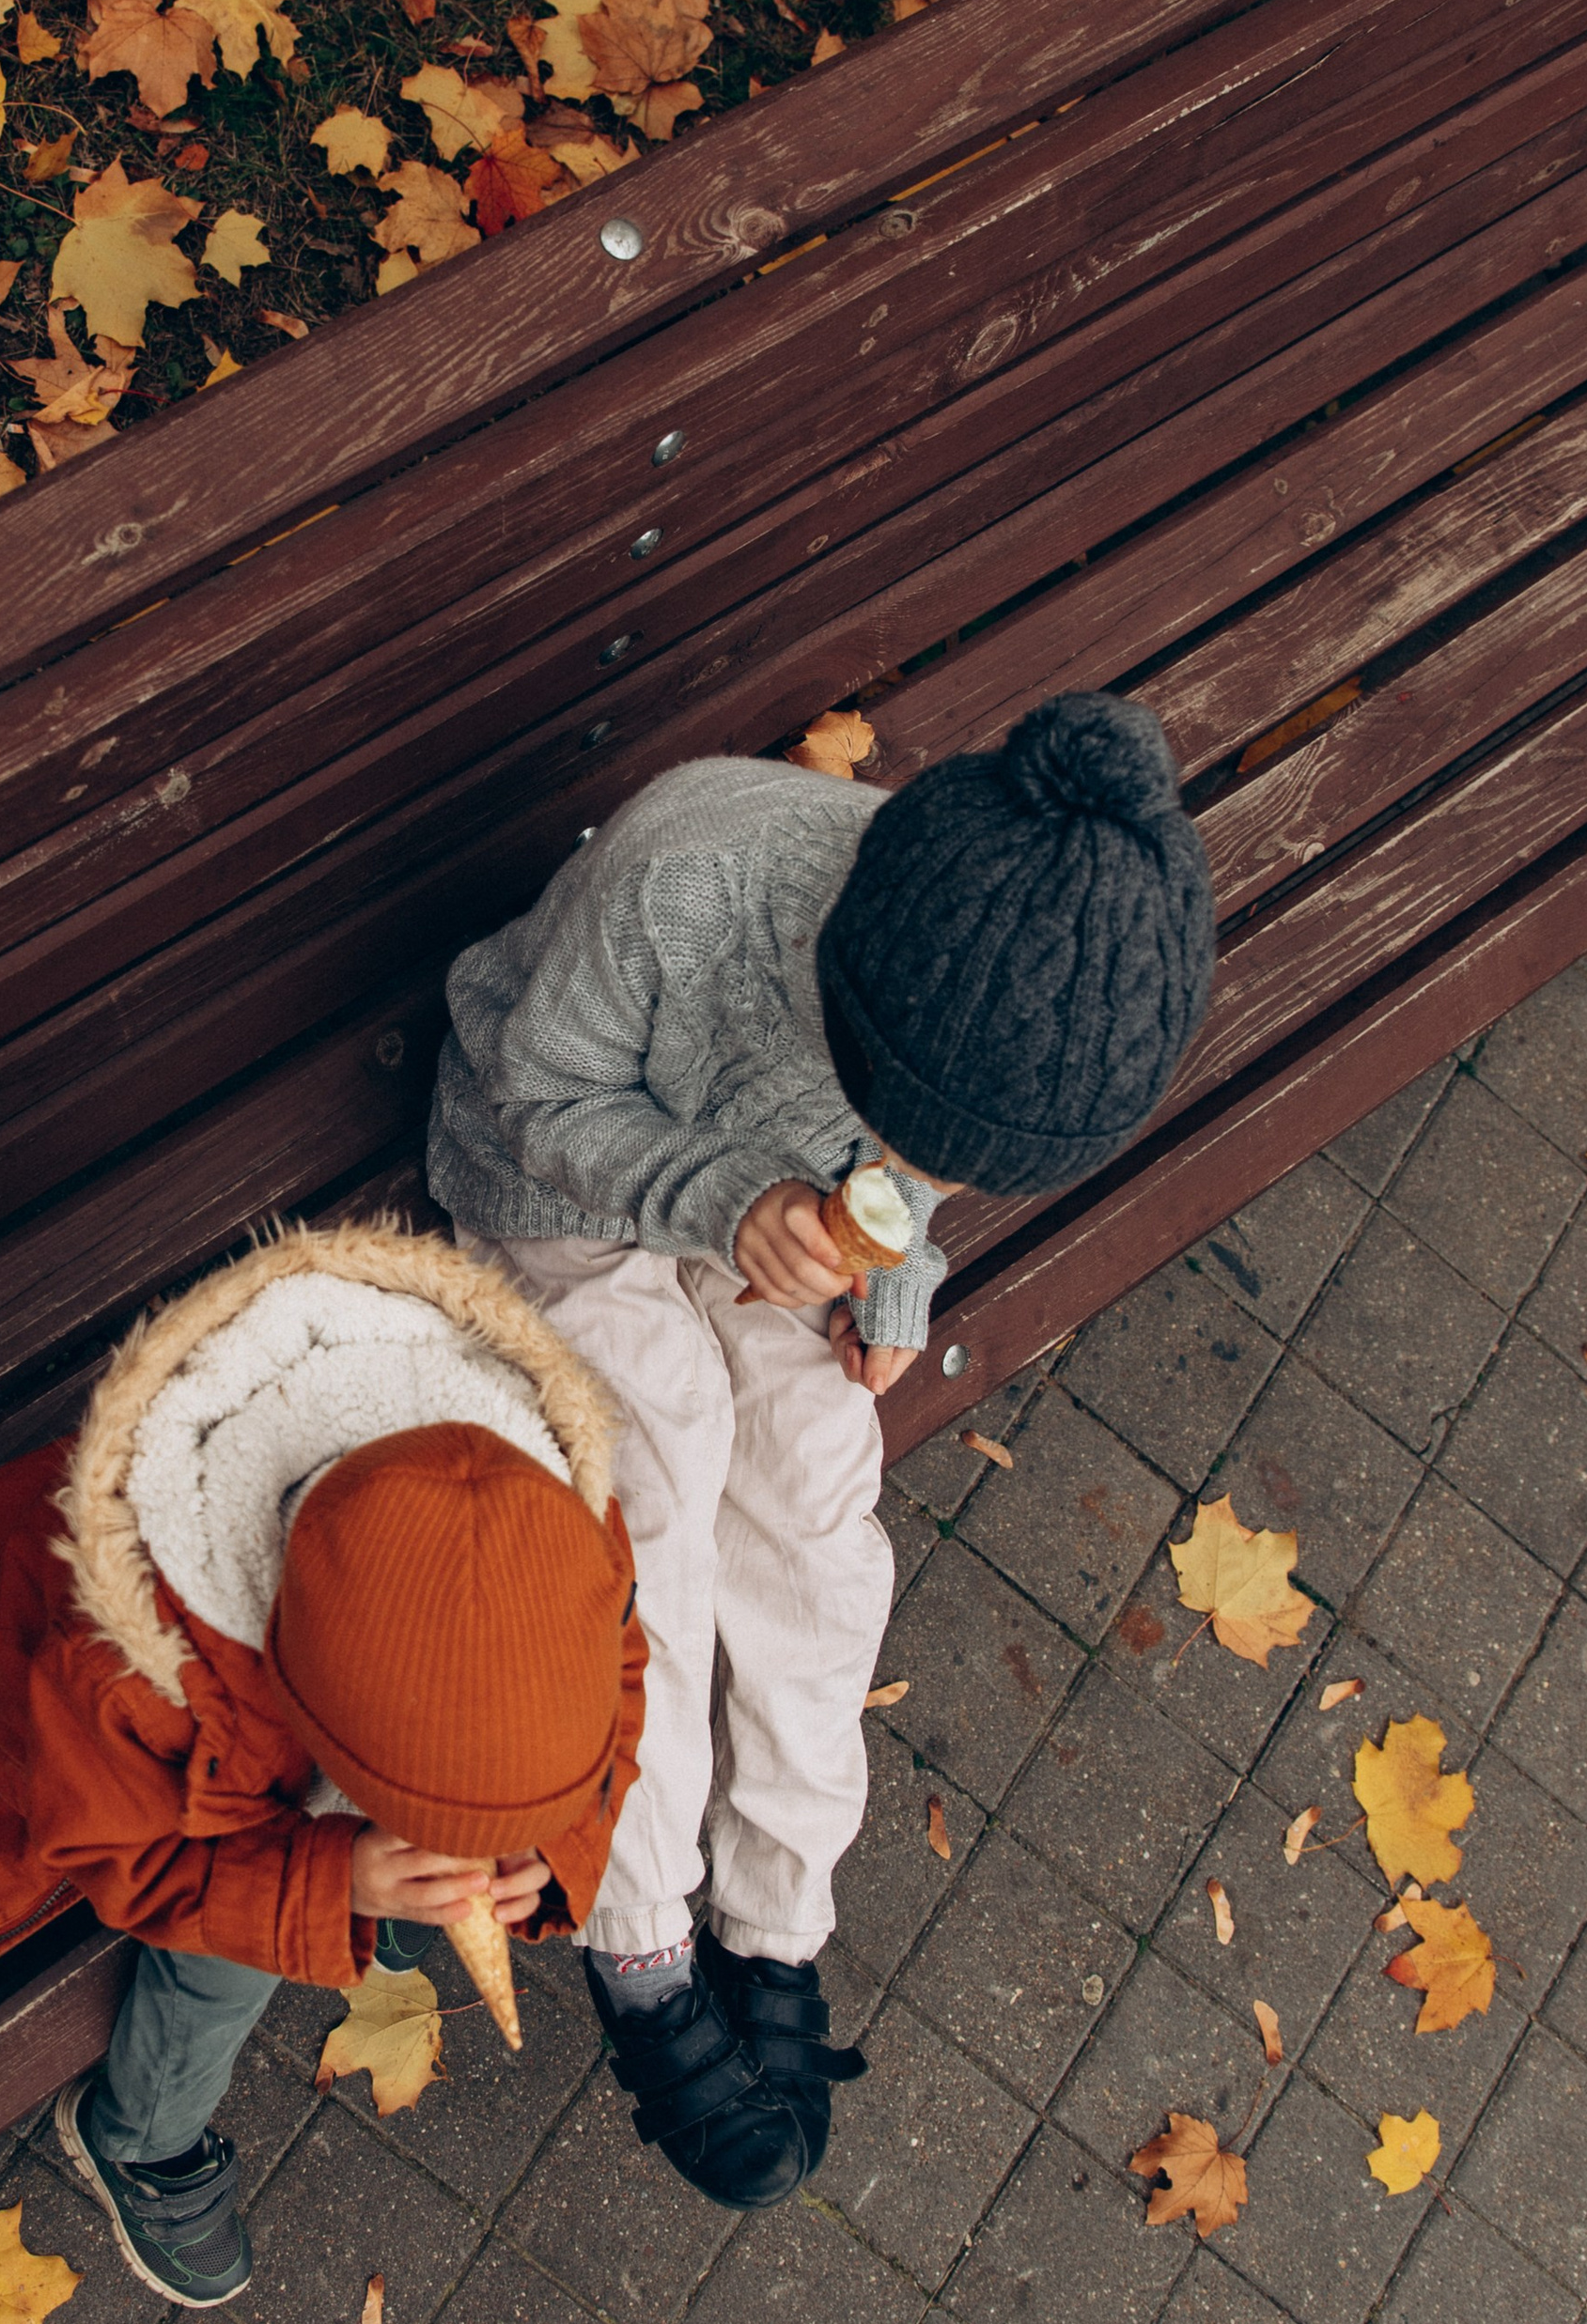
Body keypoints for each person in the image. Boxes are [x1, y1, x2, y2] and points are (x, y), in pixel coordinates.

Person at [427, 690, 1215, 2209]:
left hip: (767, 1230)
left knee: (815, 1494)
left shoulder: (994, 994)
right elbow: (535, 1100)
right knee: (656, 1487)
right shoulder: (689, 881)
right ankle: (638, 1923)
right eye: (911, 1137)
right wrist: (724, 1203)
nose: (925, 1174)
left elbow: (910, 1182)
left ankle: (772, 1915)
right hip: (573, 1182)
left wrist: (897, 1269)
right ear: (864, 994)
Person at [0, 1223, 646, 2305]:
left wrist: (551, 1837)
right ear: (317, 1719)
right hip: (116, 1731)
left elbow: (617, 1678)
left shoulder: (541, 1514)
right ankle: (139, 2132)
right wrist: (327, 1881)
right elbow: (130, 1857)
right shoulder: (134, 1672)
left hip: (287, 1684)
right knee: (234, 1957)